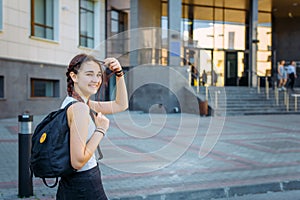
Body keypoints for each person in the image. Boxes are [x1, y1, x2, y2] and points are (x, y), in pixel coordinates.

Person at [56, 54, 128, 200]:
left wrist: (119, 74)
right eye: (89, 74)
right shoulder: (79, 108)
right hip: (84, 183)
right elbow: (78, 161)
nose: (96, 80)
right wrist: (100, 130)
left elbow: (121, 104)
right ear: (74, 76)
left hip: (71, 182)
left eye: (99, 75)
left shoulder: (76, 103)